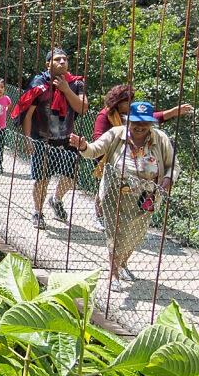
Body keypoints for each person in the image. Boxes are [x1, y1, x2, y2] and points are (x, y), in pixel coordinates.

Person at [70, 102, 179, 292]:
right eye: (136, 121)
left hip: (147, 197)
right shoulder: (116, 134)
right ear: (129, 121)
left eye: (144, 123)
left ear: (151, 124)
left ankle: (122, 263)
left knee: (135, 236)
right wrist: (84, 146)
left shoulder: (160, 139)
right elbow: (95, 150)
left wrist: (167, 180)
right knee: (116, 233)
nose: (139, 126)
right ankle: (113, 274)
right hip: (116, 194)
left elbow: (173, 165)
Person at [89, 85, 192, 230]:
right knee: (106, 188)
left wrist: (174, 112)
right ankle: (99, 216)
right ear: (119, 101)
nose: (131, 103)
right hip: (108, 157)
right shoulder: (106, 115)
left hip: (132, 156)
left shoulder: (133, 116)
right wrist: (113, 146)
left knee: (128, 189)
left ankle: (125, 219)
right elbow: (97, 137)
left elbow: (152, 118)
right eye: (128, 100)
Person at [10, 48, 87, 229]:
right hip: (43, 140)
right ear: (48, 64)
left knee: (70, 177)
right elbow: (27, 114)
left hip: (68, 139)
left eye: (65, 59)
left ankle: (56, 199)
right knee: (42, 179)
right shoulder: (39, 84)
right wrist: (27, 139)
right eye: (57, 59)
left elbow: (82, 108)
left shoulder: (77, 84)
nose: (62, 62)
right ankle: (38, 212)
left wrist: (66, 89)